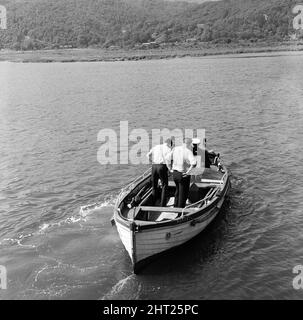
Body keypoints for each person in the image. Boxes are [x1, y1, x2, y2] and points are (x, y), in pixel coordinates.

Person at [166, 138, 196, 208]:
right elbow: (194, 163)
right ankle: (180, 212)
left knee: (178, 190)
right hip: (183, 175)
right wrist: (188, 172)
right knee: (183, 193)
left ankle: (175, 206)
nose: (192, 146)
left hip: (175, 174)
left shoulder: (175, 149)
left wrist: (170, 169)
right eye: (191, 144)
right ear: (188, 144)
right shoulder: (188, 151)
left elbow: (167, 158)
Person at [146, 138, 173, 207]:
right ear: (170, 144)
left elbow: (147, 155)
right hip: (162, 167)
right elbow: (168, 161)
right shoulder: (169, 149)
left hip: (154, 166)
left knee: (154, 185)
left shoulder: (156, 146)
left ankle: (152, 203)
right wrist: (170, 170)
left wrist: (152, 161)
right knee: (164, 185)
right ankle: (162, 204)